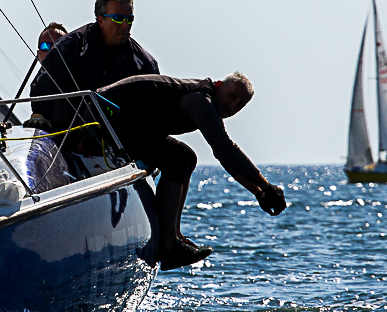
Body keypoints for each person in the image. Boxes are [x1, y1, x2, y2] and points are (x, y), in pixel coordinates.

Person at [94, 72, 287, 270]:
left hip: (130, 123)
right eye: (232, 97)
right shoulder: (200, 100)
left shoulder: (209, 103)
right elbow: (227, 150)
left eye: (240, 105)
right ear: (219, 85)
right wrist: (269, 187)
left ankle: (175, 238)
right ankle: (168, 246)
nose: (232, 107)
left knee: (187, 157)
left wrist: (260, 193)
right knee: (176, 160)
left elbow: (225, 158)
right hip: (103, 116)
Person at [31, 0, 158, 130]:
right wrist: (39, 113)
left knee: (180, 152)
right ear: (101, 20)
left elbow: (154, 103)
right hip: (63, 135)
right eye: (118, 18)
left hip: (118, 138)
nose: (125, 25)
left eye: (130, 19)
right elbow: (46, 79)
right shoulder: (75, 44)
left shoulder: (143, 62)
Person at [24, 22, 68, 130]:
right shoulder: (36, 85)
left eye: (58, 44)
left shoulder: (82, 75)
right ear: (38, 54)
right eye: (45, 46)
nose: (51, 50)